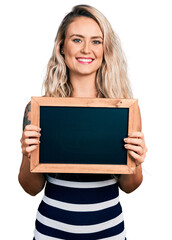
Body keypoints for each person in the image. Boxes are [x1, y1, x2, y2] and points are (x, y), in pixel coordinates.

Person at [19, 4, 147, 240]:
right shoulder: (39, 109)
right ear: (62, 47)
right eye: (77, 40)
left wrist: (137, 160)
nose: (87, 49)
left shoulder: (126, 110)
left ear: (105, 49)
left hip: (108, 233)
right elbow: (31, 188)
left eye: (96, 41)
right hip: (51, 233)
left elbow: (129, 186)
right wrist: (28, 154)